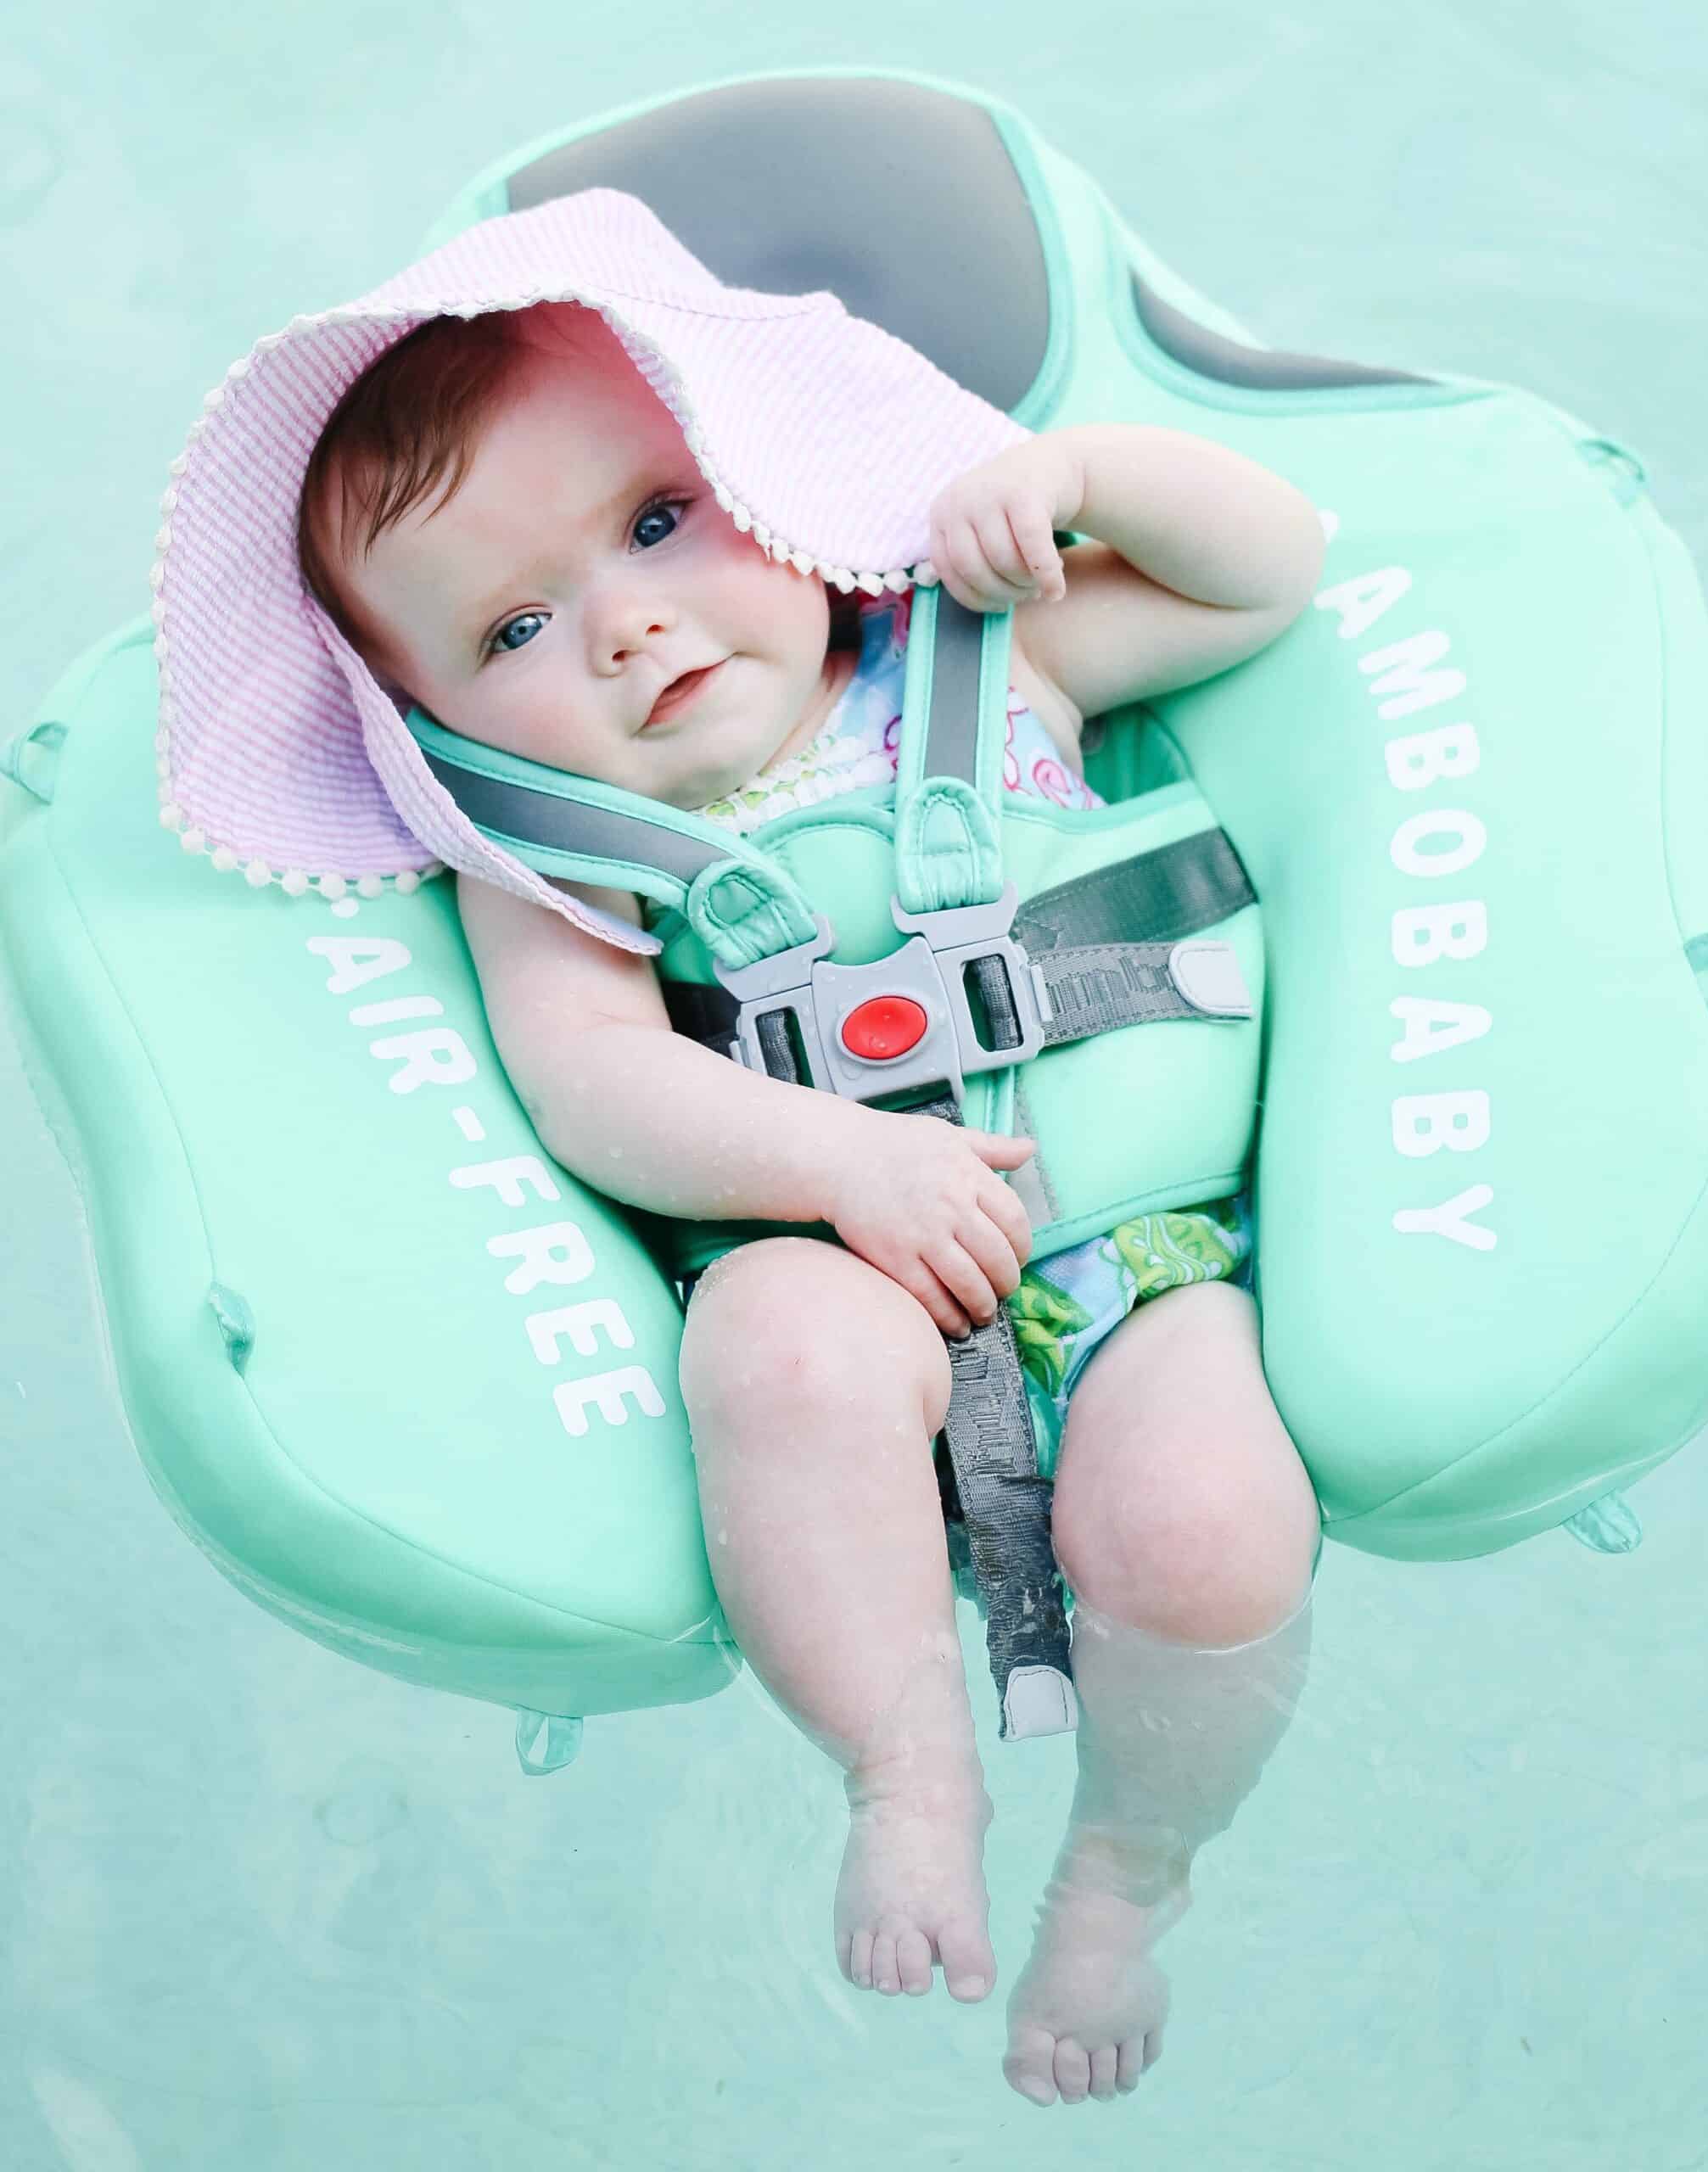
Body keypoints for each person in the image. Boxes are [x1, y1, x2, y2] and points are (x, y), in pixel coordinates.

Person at [162, 193, 1325, 2108]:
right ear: (431, 724)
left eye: (652, 522)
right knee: (770, 1351)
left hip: (1131, 1259)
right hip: (831, 1261)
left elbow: (1263, 574)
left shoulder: (989, 663)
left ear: (771, 482)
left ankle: (1130, 1863)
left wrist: (1083, 477)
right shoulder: (556, 866)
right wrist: (838, 1168)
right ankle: (905, 1766)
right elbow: (597, 1090)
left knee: (1203, 1535)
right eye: (514, 626)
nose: (624, 623)